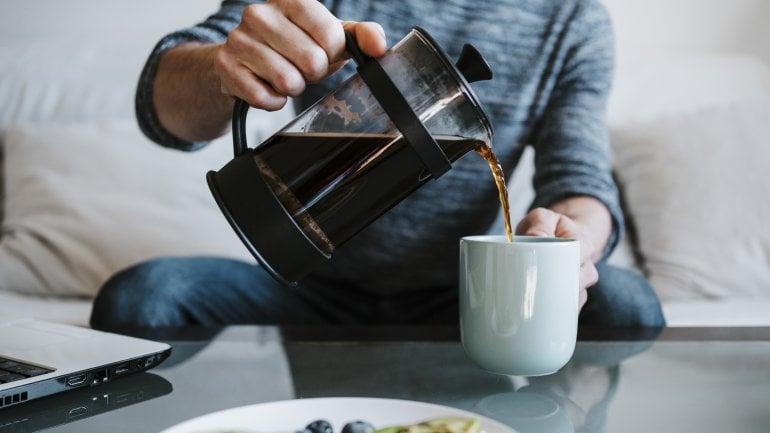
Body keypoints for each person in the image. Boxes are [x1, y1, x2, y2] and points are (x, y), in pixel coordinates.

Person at [90, 0, 665, 329]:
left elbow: (580, 181)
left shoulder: (571, 17)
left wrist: (572, 242)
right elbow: (162, 107)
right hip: (306, 286)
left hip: (466, 297)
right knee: (142, 297)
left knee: (627, 305)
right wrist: (226, 63)